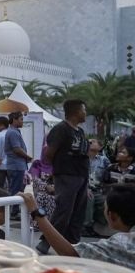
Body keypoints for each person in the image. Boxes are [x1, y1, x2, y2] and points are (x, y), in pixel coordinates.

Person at [21, 185, 135, 270]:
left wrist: (36, 212)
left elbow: (71, 253)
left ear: (112, 215)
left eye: (104, 207)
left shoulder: (122, 243)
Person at [43, 99, 89, 253]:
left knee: (78, 212)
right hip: (66, 175)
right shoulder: (61, 129)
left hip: (81, 175)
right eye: (83, 110)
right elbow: (49, 153)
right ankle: (46, 241)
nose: (85, 113)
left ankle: (73, 243)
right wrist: (56, 172)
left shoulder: (80, 131)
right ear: (76, 112)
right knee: (64, 210)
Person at [4, 111, 32, 198]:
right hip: (16, 167)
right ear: (14, 120)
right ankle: (14, 210)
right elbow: (17, 149)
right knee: (16, 190)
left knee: (18, 189)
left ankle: (15, 209)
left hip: (18, 166)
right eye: (21, 119)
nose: (22, 121)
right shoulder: (12, 132)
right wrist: (28, 157)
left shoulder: (15, 131)